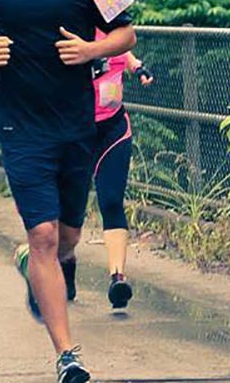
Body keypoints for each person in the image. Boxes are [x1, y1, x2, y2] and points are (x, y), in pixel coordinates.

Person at [0, 0, 136, 383]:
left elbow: (126, 34)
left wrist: (89, 48)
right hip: (21, 127)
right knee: (42, 234)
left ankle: (33, 264)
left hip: (77, 126)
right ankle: (67, 356)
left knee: (67, 238)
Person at [85, 31, 154, 309]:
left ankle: (117, 279)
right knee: (69, 205)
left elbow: (122, 50)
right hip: (75, 130)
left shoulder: (114, 29)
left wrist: (137, 67)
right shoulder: (68, 25)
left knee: (112, 200)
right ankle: (64, 266)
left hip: (114, 127)